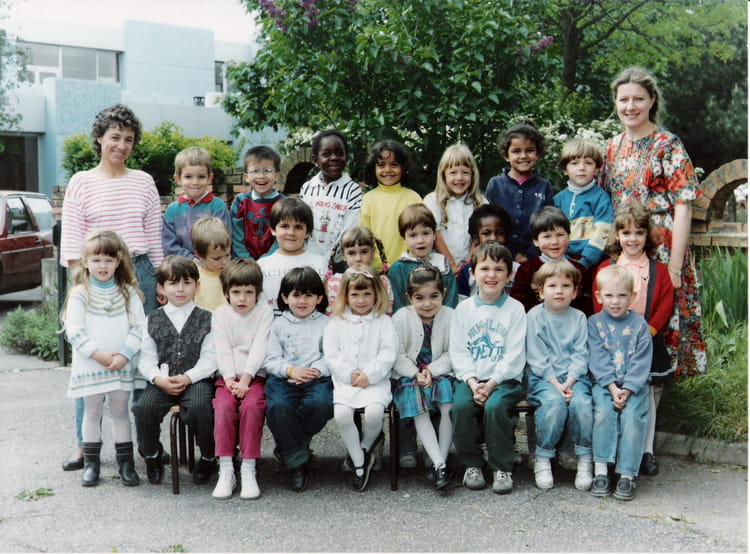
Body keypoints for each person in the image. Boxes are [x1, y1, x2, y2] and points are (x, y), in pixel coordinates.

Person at [59, 103, 164, 471]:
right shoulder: (81, 182)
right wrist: (80, 285)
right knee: (90, 357)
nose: (122, 145)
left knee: (137, 355)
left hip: (139, 274)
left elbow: (154, 236)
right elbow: (72, 240)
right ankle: (82, 445)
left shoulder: (144, 181)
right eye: (115, 137)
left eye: (129, 139)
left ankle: (143, 444)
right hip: (94, 277)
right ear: (100, 139)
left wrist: (160, 280)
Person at [599, 66, 705, 377]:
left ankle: (664, 381)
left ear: (652, 100)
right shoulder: (612, 148)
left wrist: (675, 266)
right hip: (625, 245)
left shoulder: (667, 144)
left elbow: (684, 206)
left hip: (662, 246)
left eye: (638, 99)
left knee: (661, 310)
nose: (630, 107)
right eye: (623, 100)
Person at [593, 201, 674, 477]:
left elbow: (665, 303)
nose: (633, 239)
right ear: (617, 235)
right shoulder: (607, 267)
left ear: (647, 235)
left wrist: (650, 331)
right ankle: (616, 449)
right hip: (614, 341)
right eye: (626, 233)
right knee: (616, 392)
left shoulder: (657, 269)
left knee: (647, 392)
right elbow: (599, 302)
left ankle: (646, 450)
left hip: (646, 338)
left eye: (639, 233)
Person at [62, 230, 146, 487]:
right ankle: (91, 464)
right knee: (92, 411)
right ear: (85, 262)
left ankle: (126, 464)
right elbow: (74, 330)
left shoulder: (128, 292)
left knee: (121, 412)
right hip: (92, 365)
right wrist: (97, 354)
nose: (102, 265)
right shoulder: (80, 293)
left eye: (109, 260)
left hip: (121, 364)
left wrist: (124, 355)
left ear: (118, 262)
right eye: (96, 260)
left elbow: (139, 328)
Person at [133, 256, 218, 486]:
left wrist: (189, 377)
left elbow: (210, 358)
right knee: (143, 407)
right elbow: (146, 358)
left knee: (201, 406)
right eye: (173, 283)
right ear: (161, 288)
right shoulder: (152, 319)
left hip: (196, 380)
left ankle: (208, 458)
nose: (180, 289)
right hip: (163, 380)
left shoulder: (208, 318)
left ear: (197, 286)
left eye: (187, 283)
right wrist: (157, 378)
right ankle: (153, 456)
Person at [450, 241, 526, 494]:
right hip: (471, 379)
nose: (491, 275)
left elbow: (514, 354)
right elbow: (459, 351)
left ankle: (501, 466)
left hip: (504, 381)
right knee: (461, 407)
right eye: (484, 268)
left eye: (499, 269)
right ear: (472, 274)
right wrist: (473, 383)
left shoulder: (515, 310)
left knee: (495, 407)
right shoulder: (463, 309)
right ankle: (472, 464)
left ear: (509, 275)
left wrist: (492, 383)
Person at [324, 265, 398, 492]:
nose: (361, 300)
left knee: (375, 414)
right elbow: (332, 354)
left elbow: (388, 353)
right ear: (346, 296)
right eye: (355, 294)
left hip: (375, 381)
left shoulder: (383, 322)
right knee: (342, 415)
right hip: (346, 382)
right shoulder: (337, 322)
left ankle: (363, 450)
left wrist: (369, 374)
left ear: (376, 294)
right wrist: (348, 374)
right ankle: (359, 464)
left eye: (367, 294)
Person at [524, 259, 593, 491]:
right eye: (552, 286)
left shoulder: (579, 318)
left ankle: (584, 458)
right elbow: (537, 358)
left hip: (574, 377)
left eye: (565, 286)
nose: (559, 291)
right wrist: (557, 385)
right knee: (554, 403)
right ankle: (543, 458)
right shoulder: (534, 316)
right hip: (543, 378)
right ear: (541, 291)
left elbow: (581, 354)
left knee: (582, 404)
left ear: (575, 292)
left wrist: (569, 382)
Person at [264, 267, 332, 492]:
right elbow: (270, 359)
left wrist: (316, 370)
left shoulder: (326, 324)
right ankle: (298, 463)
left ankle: (290, 448)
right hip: (285, 377)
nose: (302, 301)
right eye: (296, 295)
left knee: (321, 403)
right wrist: (290, 370)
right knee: (279, 406)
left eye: (309, 295)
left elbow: (332, 356)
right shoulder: (278, 325)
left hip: (316, 377)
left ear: (319, 298)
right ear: (285, 297)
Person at [210, 258, 273, 500]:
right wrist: (229, 379)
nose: (242, 298)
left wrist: (246, 380)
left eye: (249, 292)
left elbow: (260, 347)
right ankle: (226, 469)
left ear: (258, 292)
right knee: (224, 407)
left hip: (254, 377)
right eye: (236, 292)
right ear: (226, 293)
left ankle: (248, 468)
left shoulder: (264, 312)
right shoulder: (221, 314)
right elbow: (222, 348)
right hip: (228, 378)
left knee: (253, 406)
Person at [588, 265, 652, 501]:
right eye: (609, 295)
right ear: (599, 296)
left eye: (622, 295)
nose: (615, 301)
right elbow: (597, 358)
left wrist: (628, 389)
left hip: (634, 386)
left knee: (633, 418)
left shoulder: (640, 325)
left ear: (632, 297)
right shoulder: (594, 323)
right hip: (605, 385)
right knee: (603, 414)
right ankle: (601, 470)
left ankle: (627, 474)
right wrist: (612, 387)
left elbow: (642, 361)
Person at [392, 265, 454, 489]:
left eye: (434, 296)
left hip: (439, 373)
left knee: (447, 405)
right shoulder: (401, 318)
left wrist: (432, 371)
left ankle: (441, 460)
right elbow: (396, 354)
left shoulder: (450, 316)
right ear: (409, 297)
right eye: (419, 298)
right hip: (409, 376)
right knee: (419, 406)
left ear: (443, 294)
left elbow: (452, 353)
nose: (427, 304)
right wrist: (415, 373)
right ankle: (439, 464)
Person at [485, 121, 553, 263]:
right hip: (499, 255)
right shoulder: (495, 184)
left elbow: (547, 224)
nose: (523, 156)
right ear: (506, 155)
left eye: (529, 150)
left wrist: (530, 254)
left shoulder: (543, 186)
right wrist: (510, 252)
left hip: (535, 255)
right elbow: (487, 222)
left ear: (537, 154)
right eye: (516, 151)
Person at [510, 206, 592, 315]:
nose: (554, 242)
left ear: (569, 237)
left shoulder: (579, 269)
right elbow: (519, 304)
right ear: (536, 241)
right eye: (547, 236)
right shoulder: (527, 270)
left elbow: (586, 306)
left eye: (560, 235)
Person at [299, 129, 363, 266]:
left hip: (338, 262)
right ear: (315, 160)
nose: (334, 158)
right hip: (307, 259)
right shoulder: (308, 188)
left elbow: (349, 230)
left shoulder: (352, 191)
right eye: (326, 154)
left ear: (347, 157)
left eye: (339, 153)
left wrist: (328, 260)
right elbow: (301, 224)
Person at [257, 198, 327, 315]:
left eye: (298, 227)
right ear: (273, 230)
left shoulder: (320, 262)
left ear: (308, 232)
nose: (291, 233)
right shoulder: (262, 265)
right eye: (285, 226)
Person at [424, 143, 486, 274]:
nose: (459, 178)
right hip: (439, 267)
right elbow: (435, 234)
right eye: (453, 172)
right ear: (443, 175)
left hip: (472, 266)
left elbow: (481, 234)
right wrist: (451, 264)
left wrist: (468, 263)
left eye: (465, 172)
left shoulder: (481, 202)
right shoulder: (433, 201)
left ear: (473, 175)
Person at [359, 139, 422, 266]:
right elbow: (364, 237)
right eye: (381, 165)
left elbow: (421, 235)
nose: (387, 170)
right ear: (373, 168)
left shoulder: (413, 198)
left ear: (403, 167)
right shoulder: (368, 199)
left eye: (394, 165)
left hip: (407, 268)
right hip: (376, 269)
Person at [161, 146, 231, 259]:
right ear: (178, 179)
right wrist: (192, 259)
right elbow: (169, 245)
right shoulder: (172, 210)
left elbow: (224, 241)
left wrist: (205, 261)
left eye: (201, 177)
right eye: (188, 177)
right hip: (182, 266)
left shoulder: (218, 206)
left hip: (212, 264)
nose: (195, 182)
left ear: (210, 178)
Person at [387, 203, 458, 313]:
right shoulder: (398, 268)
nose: (420, 240)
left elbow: (451, 300)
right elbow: (397, 305)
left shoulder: (443, 264)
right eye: (413, 235)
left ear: (434, 235)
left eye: (425, 233)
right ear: (404, 239)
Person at [553, 139, 613, 269]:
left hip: (593, 261)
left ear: (596, 170)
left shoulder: (601, 198)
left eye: (588, 163)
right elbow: (553, 232)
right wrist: (563, 257)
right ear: (565, 169)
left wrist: (586, 261)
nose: (581, 168)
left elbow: (602, 231)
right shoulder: (558, 200)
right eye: (574, 163)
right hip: (563, 260)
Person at [231, 145, 286, 260]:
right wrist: (247, 260)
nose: (261, 176)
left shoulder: (284, 203)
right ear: (246, 176)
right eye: (255, 171)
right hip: (244, 262)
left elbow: (282, 237)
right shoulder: (240, 202)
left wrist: (266, 260)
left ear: (276, 175)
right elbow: (236, 236)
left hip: (275, 260)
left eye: (267, 171)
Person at [325, 226, 393, 316]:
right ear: (343, 255)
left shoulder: (382, 282)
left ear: (373, 252)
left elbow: (386, 311)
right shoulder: (335, 283)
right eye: (351, 253)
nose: (358, 258)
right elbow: (334, 314)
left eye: (364, 252)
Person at [456, 203, 515, 299]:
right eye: (486, 233)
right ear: (475, 238)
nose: (493, 238)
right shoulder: (467, 270)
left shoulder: (516, 269)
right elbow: (461, 299)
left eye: (500, 233)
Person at [191, 217, 231, 311]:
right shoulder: (194, 277)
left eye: (227, 255)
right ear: (199, 254)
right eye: (216, 258)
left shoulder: (234, 273)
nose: (224, 262)